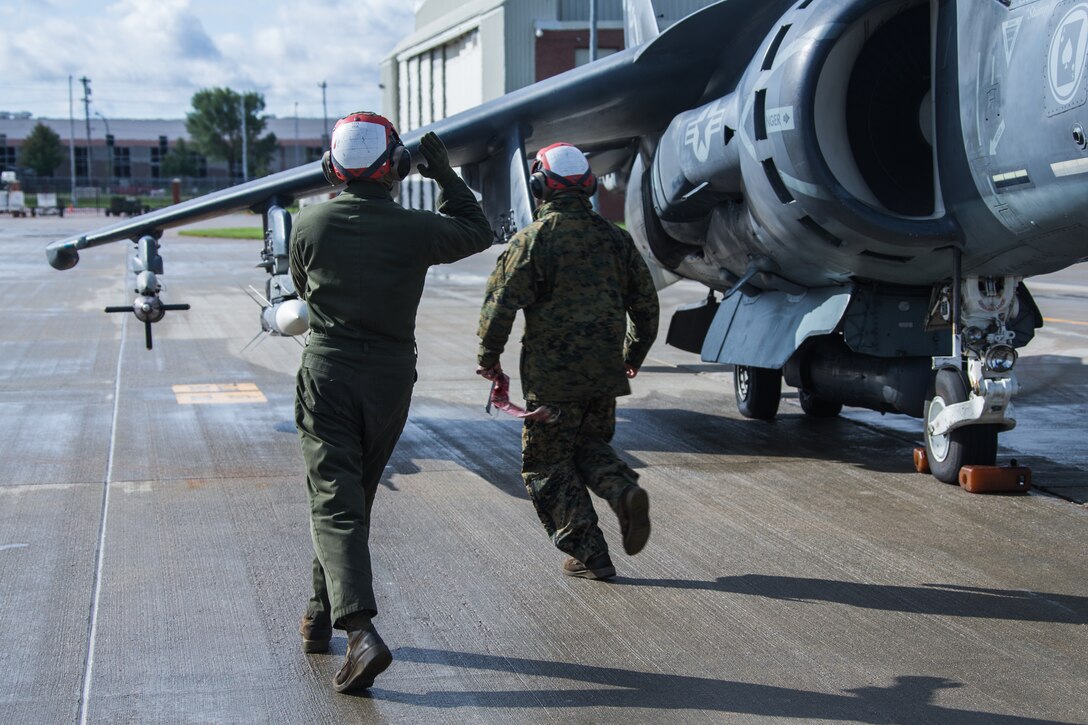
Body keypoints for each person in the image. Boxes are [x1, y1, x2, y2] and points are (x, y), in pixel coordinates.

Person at [290, 111, 492, 693]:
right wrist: (444, 173)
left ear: (333, 167)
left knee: (334, 501)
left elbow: (302, 289)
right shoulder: (417, 229)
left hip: (327, 373)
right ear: (395, 167)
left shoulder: (308, 224)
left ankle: (358, 632)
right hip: (389, 381)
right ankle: (317, 613)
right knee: (348, 500)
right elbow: (476, 228)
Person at [476, 142, 660, 580]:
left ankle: (590, 553)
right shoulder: (616, 239)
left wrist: (489, 357)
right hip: (603, 376)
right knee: (588, 447)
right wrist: (632, 355)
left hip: (553, 383)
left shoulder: (534, 241)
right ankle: (621, 489)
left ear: (540, 186)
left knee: (546, 464)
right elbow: (647, 307)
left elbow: (499, 305)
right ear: (589, 187)